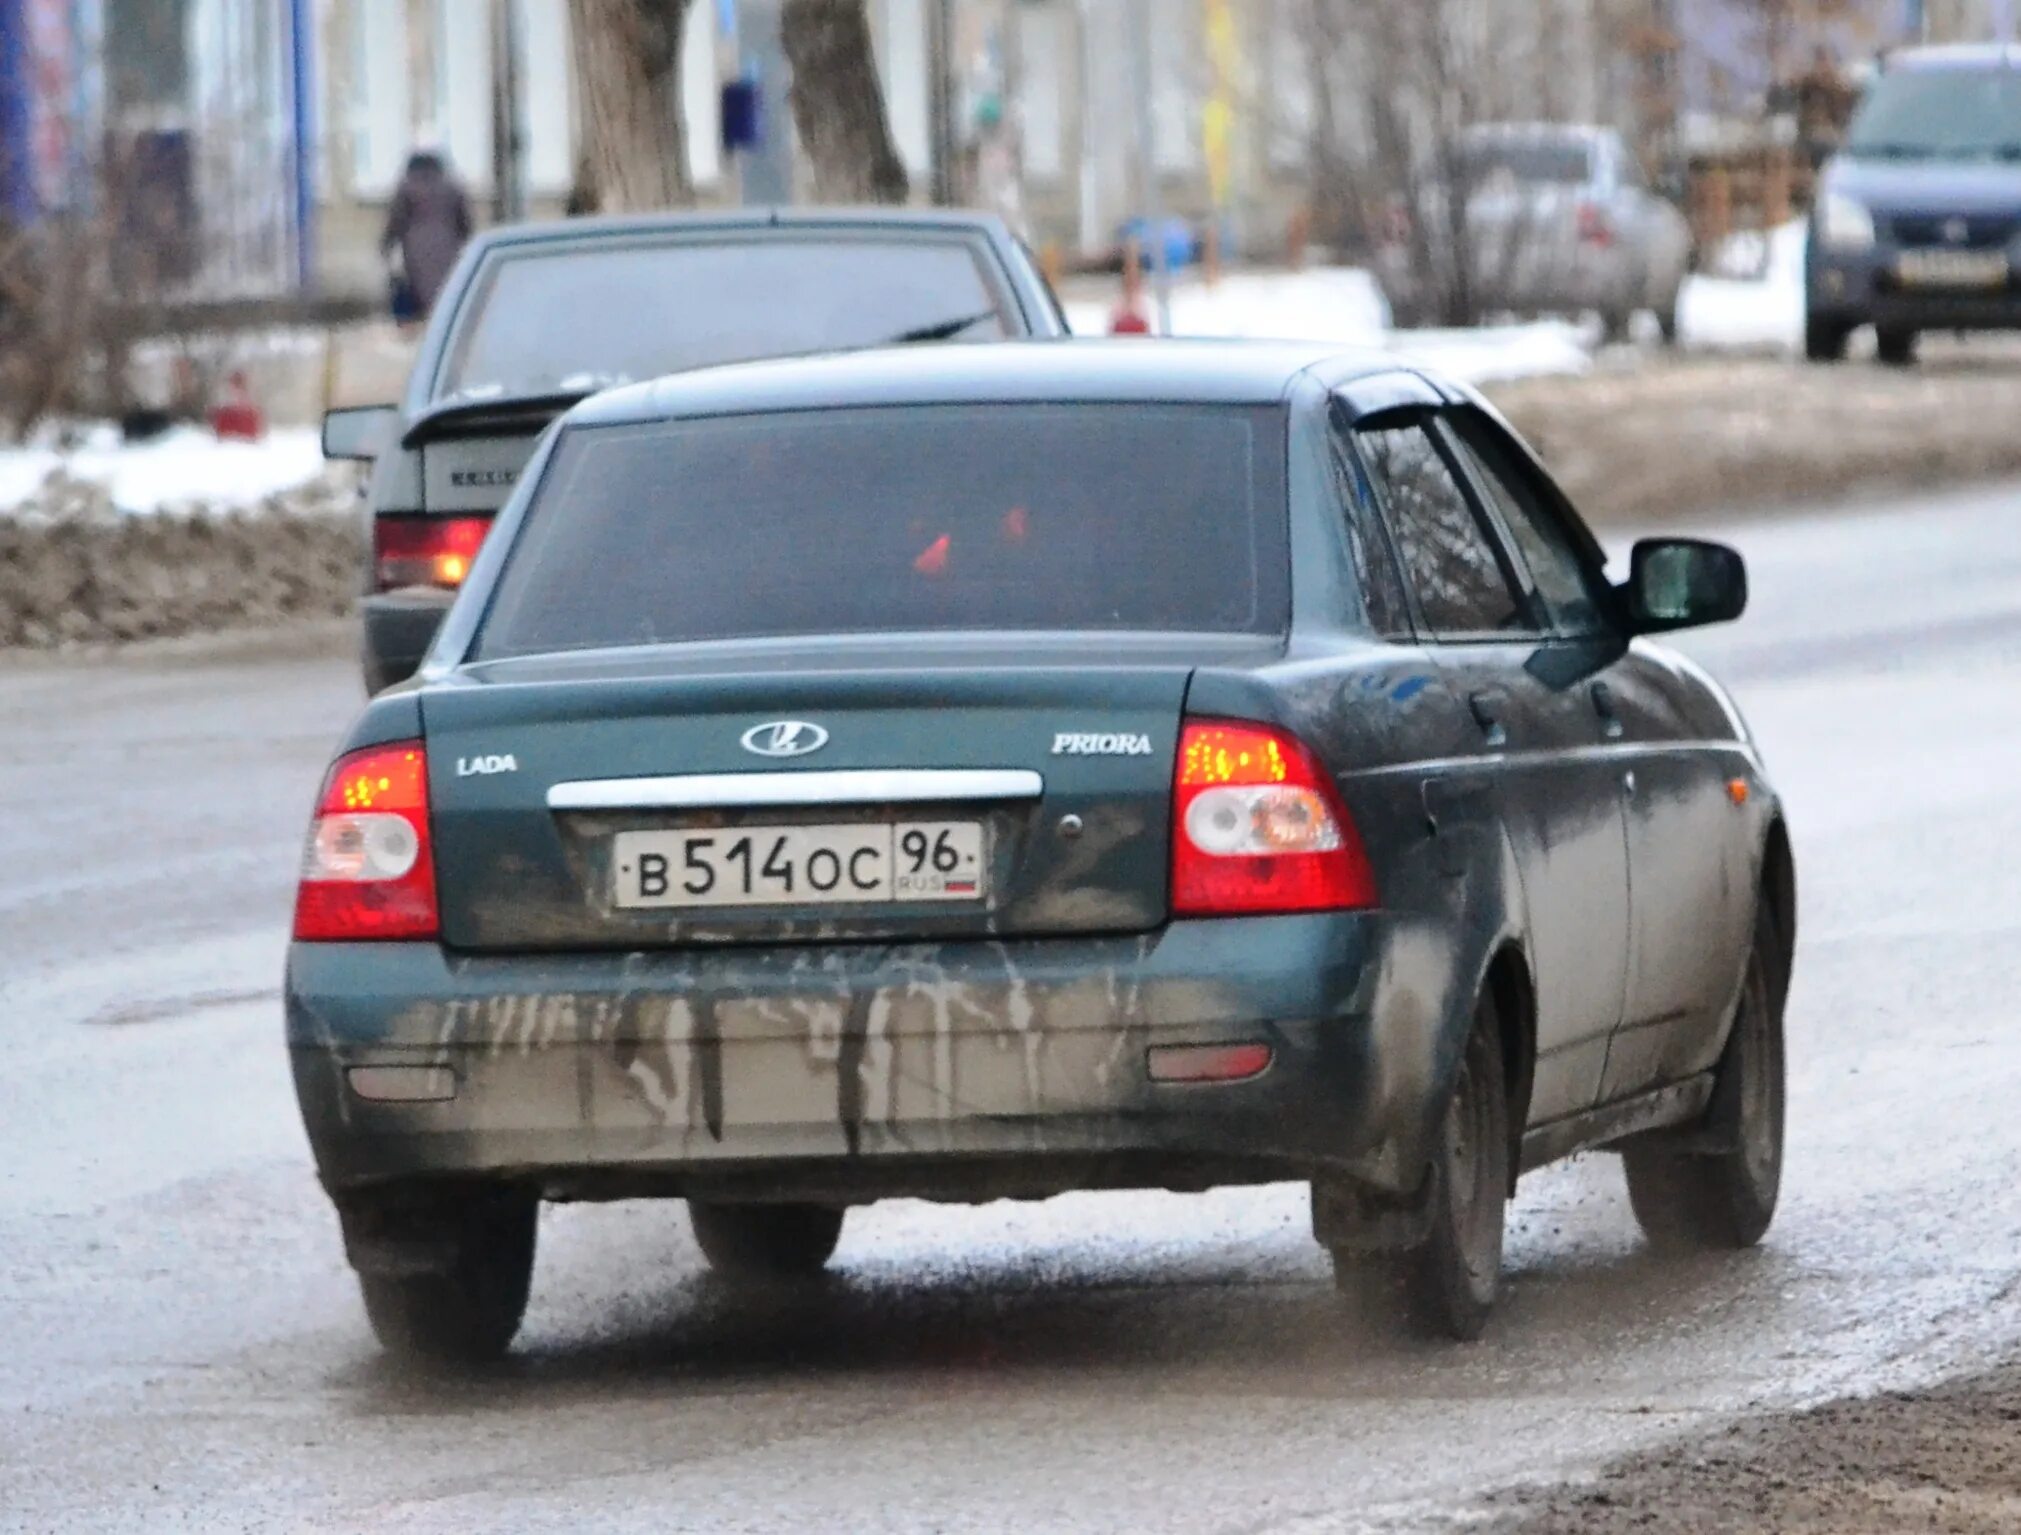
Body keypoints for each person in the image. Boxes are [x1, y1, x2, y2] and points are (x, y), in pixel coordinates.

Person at [381, 148, 472, 330]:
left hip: (415, 247)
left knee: (418, 287)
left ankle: (419, 325)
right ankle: (443, 323)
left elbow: (396, 220)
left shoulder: (407, 187)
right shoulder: (452, 186)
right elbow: (465, 222)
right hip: (449, 245)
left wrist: (386, 245)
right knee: (445, 287)